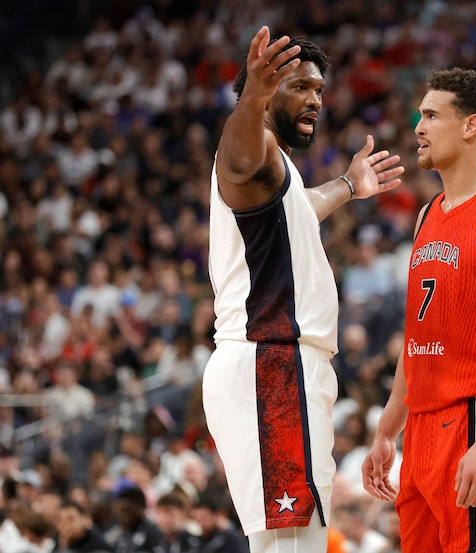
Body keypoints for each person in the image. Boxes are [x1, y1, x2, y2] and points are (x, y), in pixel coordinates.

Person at [201, 27, 404, 553]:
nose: (315, 99)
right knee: (291, 544)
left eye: (319, 90)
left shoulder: (279, 172)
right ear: (267, 92)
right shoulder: (251, 149)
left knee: (298, 540)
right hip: (271, 366)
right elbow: (238, 155)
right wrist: (252, 96)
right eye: (300, 87)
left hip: (279, 369)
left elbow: (299, 211)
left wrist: (350, 187)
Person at [362, 68, 476, 552]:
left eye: (430, 115)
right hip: (422, 421)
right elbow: (419, 333)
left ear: (470, 126)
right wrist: (388, 427)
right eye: (417, 116)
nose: (418, 128)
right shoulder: (428, 214)